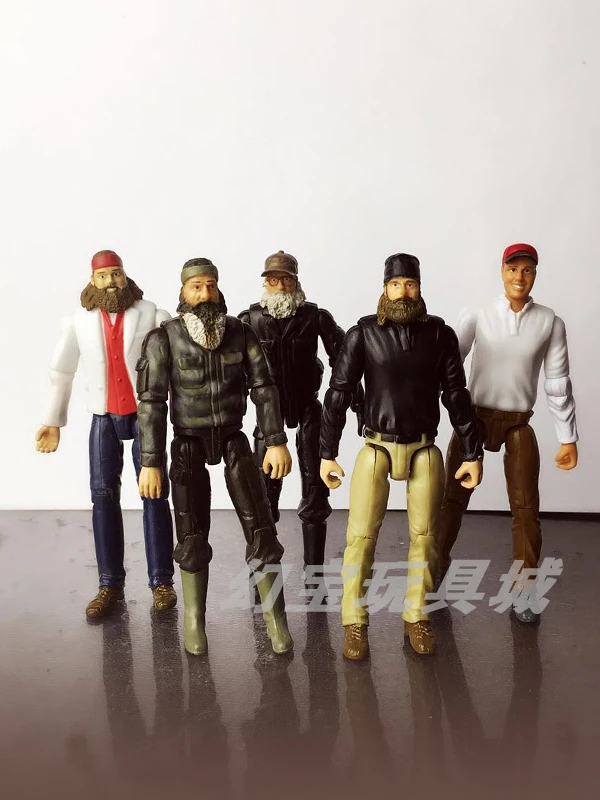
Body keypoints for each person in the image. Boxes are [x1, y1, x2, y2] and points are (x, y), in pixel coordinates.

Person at [320, 253, 482, 659]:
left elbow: (456, 394)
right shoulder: (363, 334)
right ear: (385, 288)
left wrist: (472, 451)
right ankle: (354, 620)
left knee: (425, 537)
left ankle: (416, 615)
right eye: (396, 284)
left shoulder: (439, 335)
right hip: (376, 446)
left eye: (410, 284)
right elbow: (338, 394)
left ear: (419, 288)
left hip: (424, 447)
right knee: (360, 537)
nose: (403, 292)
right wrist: (327, 452)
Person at [136, 257, 294, 656]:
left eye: (210, 285)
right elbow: (151, 403)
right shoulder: (163, 338)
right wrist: (150, 462)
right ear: (183, 292)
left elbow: (264, 387)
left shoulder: (240, 332)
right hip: (187, 441)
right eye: (196, 286)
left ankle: (276, 620)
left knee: (262, 529)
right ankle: (194, 621)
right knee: (191, 535)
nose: (205, 293)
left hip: (233, 437)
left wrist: (276, 440)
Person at [436, 243, 578, 622]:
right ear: (502, 271)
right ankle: (435, 571)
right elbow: (448, 367)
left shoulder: (549, 322)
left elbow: (557, 382)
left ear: (535, 274)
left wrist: (567, 437)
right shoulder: (478, 315)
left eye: (527, 270)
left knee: (526, 508)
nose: (519, 276)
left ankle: (524, 587)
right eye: (513, 268)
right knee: (451, 500)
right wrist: (425, 414)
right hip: (474, 421)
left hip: (517, 422)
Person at [35, 250, 175, 619]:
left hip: (144, 415)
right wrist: (53, 420)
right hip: (103, 416)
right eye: (103, 276)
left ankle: (161, 580)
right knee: (102, 496)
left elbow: (176, 365)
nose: (111, 282)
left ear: (125, 276)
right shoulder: (78, 322)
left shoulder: (152, 314)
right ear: (92, 280)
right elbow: (61, 371)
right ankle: (109, 583)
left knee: (155, 493)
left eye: (116, 274)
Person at [238, 250, 363, 580]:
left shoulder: (314, 316)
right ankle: (263, 566)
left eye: (287, 280)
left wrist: (359, 405)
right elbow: (233, 372)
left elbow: (345, 363)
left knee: (316, 489)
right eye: (273, 280)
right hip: (269, 416)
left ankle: (315, 572)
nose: (280, 286)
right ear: (265, 283)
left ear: (297, 282)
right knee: (263, 493)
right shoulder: (249, 320)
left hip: (309, 407)